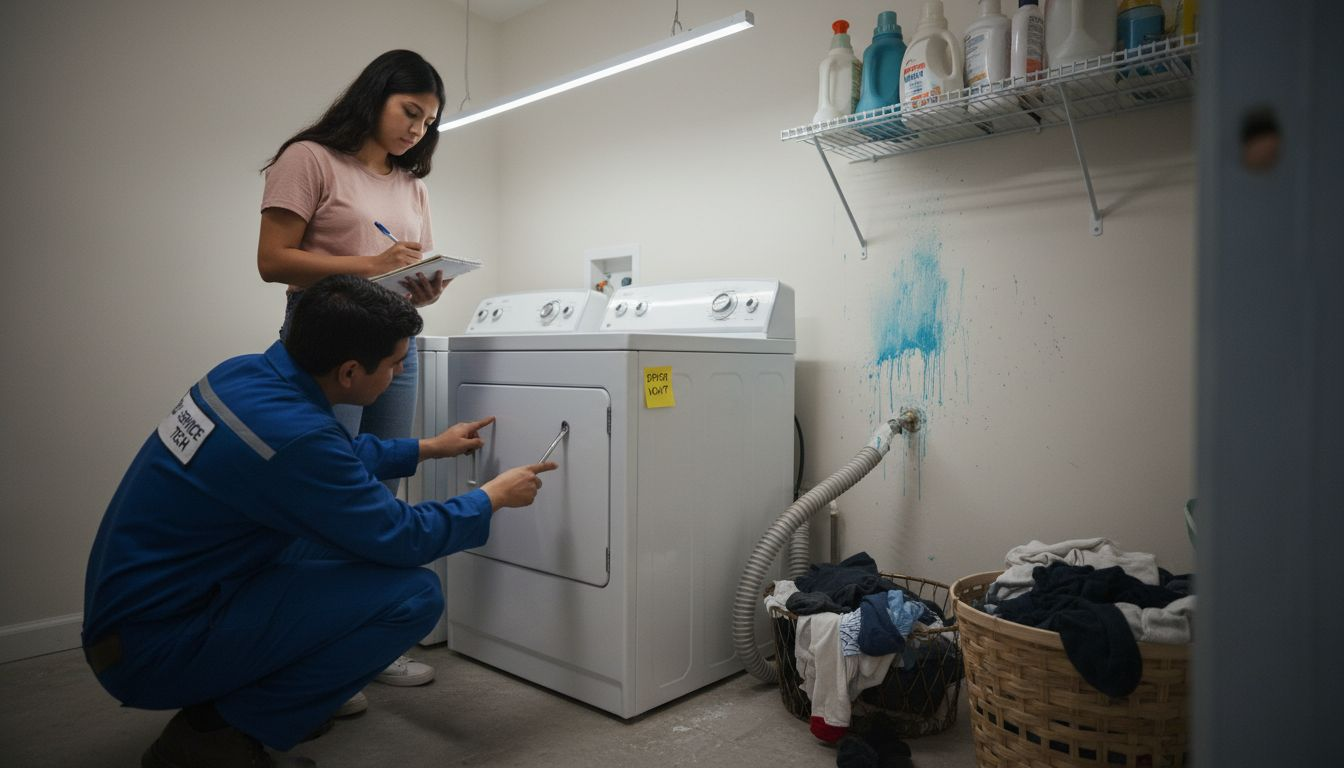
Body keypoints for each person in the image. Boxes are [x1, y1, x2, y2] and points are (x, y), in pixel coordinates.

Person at [82, 275, 557, 768]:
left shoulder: (242, 375)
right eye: (395, 365)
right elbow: (402, 536)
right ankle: (213, 737)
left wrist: (427, 447)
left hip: (147, 607)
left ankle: (251, 694)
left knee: (341, 545)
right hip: (151, 650)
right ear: (350, 371)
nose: (397, 375)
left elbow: (330, 457)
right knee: (413, 595)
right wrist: (489, 498)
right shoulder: (295, 437)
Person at [257, 49, 449, 690]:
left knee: (380, 485)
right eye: (410, 111)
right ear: (376, 98)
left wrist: (421, 286)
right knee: (324, 490)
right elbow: (272, 260)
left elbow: (403, 272)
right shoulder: (308, 159)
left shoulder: (411, 185)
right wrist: (370, 266)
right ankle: (306, 647)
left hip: (396, 340)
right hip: (327, 341)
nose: (417, 129)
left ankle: (368, 636)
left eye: (428, 122)